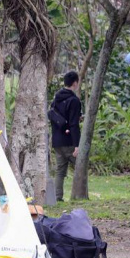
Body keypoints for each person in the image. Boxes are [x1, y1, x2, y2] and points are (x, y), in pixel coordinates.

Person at [51, 71, 82, 202]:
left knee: (60, 171)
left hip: (57, 141)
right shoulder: (74, 101)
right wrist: (77, 145)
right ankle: (79, 194)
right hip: (69, 142)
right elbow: (74, 124)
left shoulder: (56, 99)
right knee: (80, 167)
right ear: (75, 83)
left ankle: (58, 197)